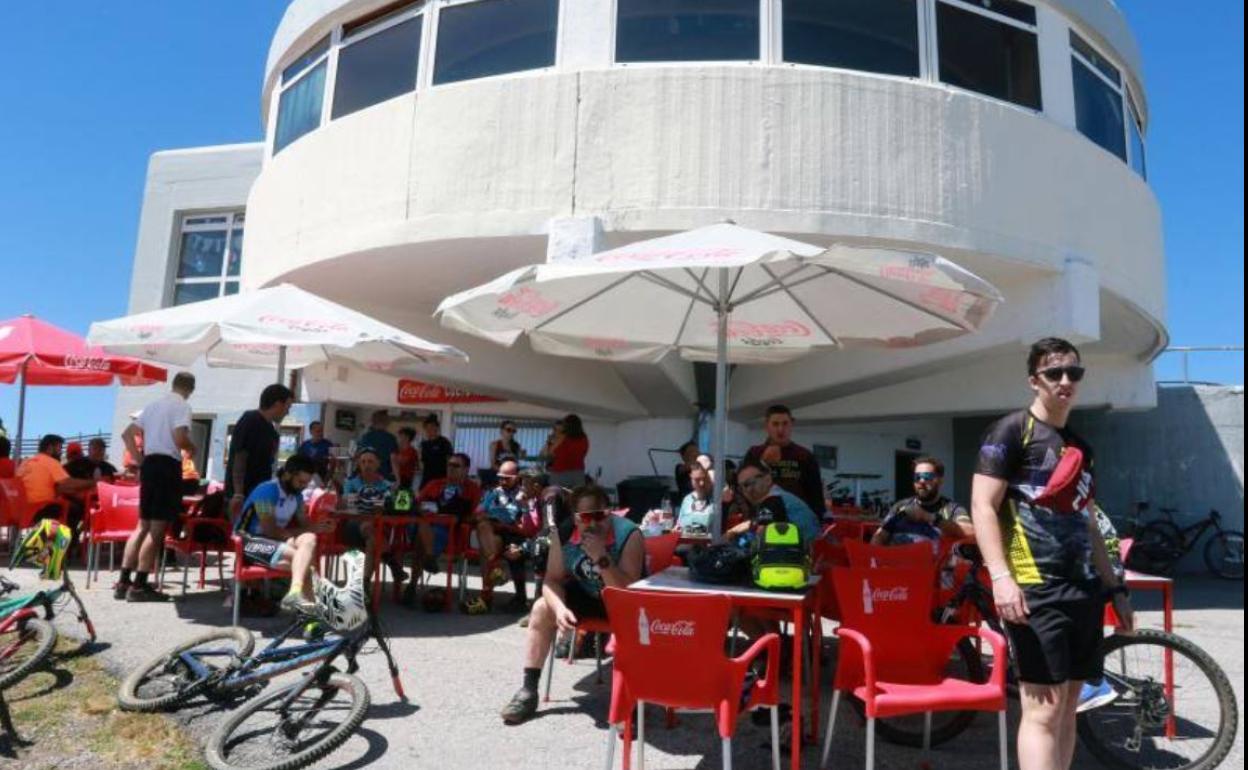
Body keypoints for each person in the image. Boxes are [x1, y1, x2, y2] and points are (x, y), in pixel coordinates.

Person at [971, 338, 1133, 770]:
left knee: (1068, 708)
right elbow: (982, 505)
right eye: (1054, 373)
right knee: (1041, 709)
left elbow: (1089, 522)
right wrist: (1002, 578)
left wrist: (1115, 587)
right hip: (1033, 591)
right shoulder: (1010, 431)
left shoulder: (1081, 447)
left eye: (1074, 373)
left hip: (1083, 590)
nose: (1065, 381)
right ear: (1034, 381)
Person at [500, 485, 645, 724]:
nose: (594, 523)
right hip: (588, 595)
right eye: (586, 517)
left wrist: (601, 557)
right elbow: (552, 580)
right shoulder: (565, 534)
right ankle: (528, 690)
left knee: (630, 618)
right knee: (540, 609)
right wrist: (559, 609)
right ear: (575, 519)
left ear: (609, 513)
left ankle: (630, 699)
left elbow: (626, 591)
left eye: (600, 515)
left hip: (623, 601)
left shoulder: (629, 534)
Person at [115, 372, 197, 602]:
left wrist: (140, 460)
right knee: (157, 528)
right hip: (167, 465)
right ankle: (140, 585)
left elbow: (127, 434)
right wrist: (193, 447)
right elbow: (180, 438)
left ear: (173, 384)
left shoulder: (152, 406)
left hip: (150, 464)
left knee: (142, 525)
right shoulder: (182, 406)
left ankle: (123, 581)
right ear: (190, 389)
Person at [235, 454, 335, 613]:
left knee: (309, 538)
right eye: (300, 482)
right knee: (306, 565)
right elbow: (269, 529)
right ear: (287, 474)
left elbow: (305, 524)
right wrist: (302, 532)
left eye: (306, 483)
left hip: (276, 540)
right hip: (248, 542)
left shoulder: (297, 495)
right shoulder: (265, 491)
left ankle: (295, 592)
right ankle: (311, 617)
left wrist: (319, 526)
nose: (303, 486)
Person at [465, 459, 533, 614]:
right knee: (483, 525)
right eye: (500, 477)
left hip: (514, 533)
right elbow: (477, 512)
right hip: (494, 532)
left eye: (506, 478)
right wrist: (484, 515)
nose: (502, 481)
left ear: (516, 477)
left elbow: (528, 522)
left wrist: (508, 523)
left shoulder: (525, 494)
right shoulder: (493, 492)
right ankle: (495, 572)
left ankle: (487, 597)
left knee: (486, 551)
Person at [226, 384, 295, 521]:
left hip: (261, 493)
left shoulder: (271, 430)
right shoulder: (250, 420)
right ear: (277, 404)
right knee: (242, 531)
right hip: (244, 494)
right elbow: (240, 457)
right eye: (288, 407)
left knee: (261, 528)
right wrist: (238, 493)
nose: (288, 412)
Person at [743, 404, 826, 516]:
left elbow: (816, 496)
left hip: (797, 520)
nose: (780, 429)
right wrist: (763, 463)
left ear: (791, 424)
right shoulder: (754, 453)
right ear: (767, 426)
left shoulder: (805, 455)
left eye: (785, 423)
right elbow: (744, 489)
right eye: (775, 424)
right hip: (763, 518)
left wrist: (817, 523)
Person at [871, 456, 973, 546]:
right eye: (917, 477)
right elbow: (879, 536)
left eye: (927, 477)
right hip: (897, 564)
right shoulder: (900, 506)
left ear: (940, 480)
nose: (921, 481)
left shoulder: (952, 509)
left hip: (932, 566)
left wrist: (930, 518)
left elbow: (972, 532)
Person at [341, 447, 405, 589]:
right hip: (353, 527)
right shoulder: (351, 482)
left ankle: (365, 585)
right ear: (359, 464)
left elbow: (389, 507)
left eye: (370, 461)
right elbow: (347, 505)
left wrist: (387, 500)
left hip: (378, 528)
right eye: (363, 462)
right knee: (369, 527)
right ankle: (390, 560)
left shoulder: (386, 484)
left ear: (378, 464)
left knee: (372, 541)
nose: (366, 465)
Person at [413, 453, 482, 582]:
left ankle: (412, 583)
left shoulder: (472, 489)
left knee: (421, 537)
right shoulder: (434, 484)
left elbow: (476, 515)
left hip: (452, 531)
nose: (451, 468)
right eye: (449, 465)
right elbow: (416, 503)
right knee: (421, 527)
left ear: (466, 469)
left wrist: (460, 519)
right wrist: (422, 509)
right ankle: (429, 558)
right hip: (426, 524)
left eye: (456, 465)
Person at [725, 458, 821, 545]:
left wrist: (740, 543)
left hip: (802, 557)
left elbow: (760, 537)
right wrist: (732, 531)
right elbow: (756, 521)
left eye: (749, 483)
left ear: (767, 479)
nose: (747, 490)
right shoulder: (780, 496)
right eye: (742, 487)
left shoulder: (772, 501)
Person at [17, 434, 97, 526]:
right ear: (50, 448)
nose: (61, 453)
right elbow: (68, 484)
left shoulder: (26, 463)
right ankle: (70, 539)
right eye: (59, 449)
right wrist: (95, 482)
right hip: (42, 508)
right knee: (76, 510)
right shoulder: (50, 461)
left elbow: (58, 487)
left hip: (20, 510)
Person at [546, 414, 589, 489]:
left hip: (560, 472)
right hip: (578, 472)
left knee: (557, 498)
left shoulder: (563, 437)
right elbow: (584, 452)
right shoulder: (584, 438)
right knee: (576, 497)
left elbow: (550, 452)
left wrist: (550, 442)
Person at [359, 410, 400, 481]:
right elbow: (393, 459)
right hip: (384, 474)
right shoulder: (390, 438)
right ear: (386, 421)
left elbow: (361, 455)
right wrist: (398, 478)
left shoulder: (365, 437)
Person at [676, 463, 715, 533]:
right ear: (691, 478)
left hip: (708, 542)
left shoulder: (715, 499)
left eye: (704, 479)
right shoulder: (687, 499)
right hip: (686, 541)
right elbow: (679, 525)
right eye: (697, 480)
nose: (701, 483)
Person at [418, 414, 453, 485]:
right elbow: (422, 462)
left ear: (437, 428)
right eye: (427, 428)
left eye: (431, 427)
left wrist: (449, 477)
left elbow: (449, 461)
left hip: (441, 477)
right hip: (427, 478)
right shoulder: (424, 444)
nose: (429, 430)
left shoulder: (444, 442)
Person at [394, 427, 420, 491]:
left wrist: (394, 458)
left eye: (400, 436)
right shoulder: (398, 450)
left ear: (407, 438)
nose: (398, 438)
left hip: (405, 480)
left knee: (403, 499)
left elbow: (403, 462)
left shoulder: (412, 451)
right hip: (396, 478)